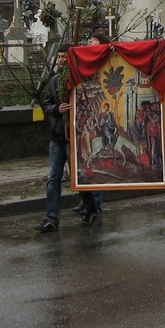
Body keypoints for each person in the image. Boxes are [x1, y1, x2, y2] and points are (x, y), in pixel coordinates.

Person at [36, 47, 102, 232]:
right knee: (53, 178)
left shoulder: (80, 82)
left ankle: (91, 208)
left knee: (78, 176)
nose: (61, 60)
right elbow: (47, 104)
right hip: (57, 136)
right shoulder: (55, 81)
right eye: (59, 57)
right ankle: (52, 218)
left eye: (65, 57)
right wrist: (57, 109)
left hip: (74, 137)